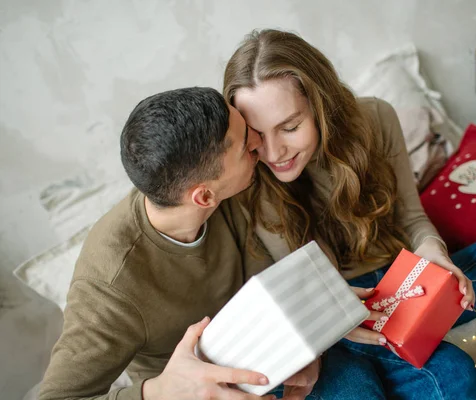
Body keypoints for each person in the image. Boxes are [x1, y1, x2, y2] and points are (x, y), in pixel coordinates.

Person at [223, 29, 476, 400]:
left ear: (321, 105)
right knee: (450, 376)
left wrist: (434, 252)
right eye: (257, 134)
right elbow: (281, 288)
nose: (273, 152)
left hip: (407, 281)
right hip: (331, 313)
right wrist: (336, 317)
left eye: (290, 127)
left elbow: (412, 219)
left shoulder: (375, 119)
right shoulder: (244, 173)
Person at [38, 87, 381, 400]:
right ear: (203, 196)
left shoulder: (224, 180)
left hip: (285, 348)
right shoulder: (110, 286)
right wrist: (158, 393)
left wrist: (311, 321)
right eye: (246, 145)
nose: (259, 145)